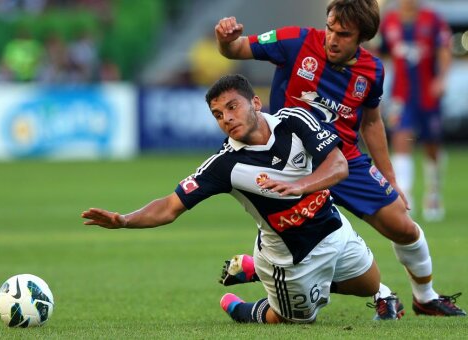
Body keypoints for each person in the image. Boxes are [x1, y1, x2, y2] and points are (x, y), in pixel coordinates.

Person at [214, 0, 465, 318]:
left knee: (404, 227)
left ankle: (425, 297)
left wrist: (390, 179)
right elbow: (235, 49)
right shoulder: (295, 40)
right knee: (300, 276)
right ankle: (260, 282)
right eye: (330, 29)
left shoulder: (372, 70)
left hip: (343, 160)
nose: (332, 39)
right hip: (292, 163)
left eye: (343, 34)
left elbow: (372, 122)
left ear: (363, 36)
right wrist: (226, 38)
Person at [82, 74, 382, 324]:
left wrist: (300, 186)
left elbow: (338, 165)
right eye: (218, 114)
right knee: (291, 321)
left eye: (232, 107)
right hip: (290, 259)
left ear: (255, 102)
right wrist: (124, 220)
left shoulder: (295, 120)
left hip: (333, 230)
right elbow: (170, 206)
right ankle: (243, 308)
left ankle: (252, 270)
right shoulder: (225, 165)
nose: (226, 118)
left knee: (370, 285)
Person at [379, 0, 451, 221]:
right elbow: (380, 53)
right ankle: (405, 197)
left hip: (428, 95)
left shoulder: (433, 19)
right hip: (401, 94)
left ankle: (434, 193)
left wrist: (441, 80)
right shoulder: (388, 21)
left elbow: (444, 50)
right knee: (401, 138)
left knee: (432, 144)